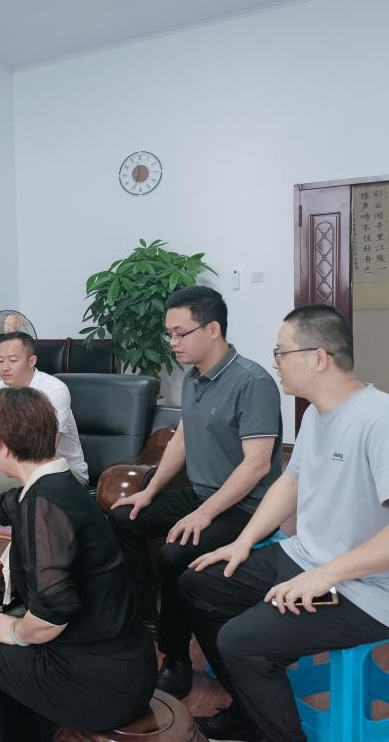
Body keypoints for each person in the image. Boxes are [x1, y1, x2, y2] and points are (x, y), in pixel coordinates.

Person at [181, 304, 389, 742]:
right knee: (198, 584)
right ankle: (252, 709)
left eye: (281, 352)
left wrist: (325, 575)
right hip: (304, 558)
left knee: (241, 641)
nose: (275, 363)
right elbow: (289, 484)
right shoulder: (314, 414)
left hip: (365, 588)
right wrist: (242, 543)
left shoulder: (378, 420)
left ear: (319, 358)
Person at [0, 387, 155, 742]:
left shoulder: (42, 508)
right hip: (129, 663)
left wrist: (14, 631)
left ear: (3, 449)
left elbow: (52, 614)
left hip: (99, 686)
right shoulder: (58, 485)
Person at [108, 285, 282, 698]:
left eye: (181, 333)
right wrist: (149, 491)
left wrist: (204, 514)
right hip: (201, 496)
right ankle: (147, 619)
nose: (173, 342)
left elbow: (257, 464)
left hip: (245, 507)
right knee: (123, 518)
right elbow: (182, 440)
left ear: (213, 329)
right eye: (170, 334)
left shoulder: (253, 382)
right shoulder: (194, 377)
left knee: (174, 555)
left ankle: (176, 658)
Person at [0, 331, 88, 497]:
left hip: (60, 470)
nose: (4, 367)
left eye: (12, 360)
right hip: (16, 467)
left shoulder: (54, 390)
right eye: (0, 360)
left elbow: (47, 449)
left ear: (31, 361)